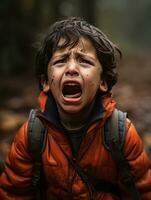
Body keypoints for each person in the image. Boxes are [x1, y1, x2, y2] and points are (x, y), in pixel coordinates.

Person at [0, 17, 151, 200]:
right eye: (60, 61)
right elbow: (13, 195)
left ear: (102, 82)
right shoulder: (31, 136)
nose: (71, 68)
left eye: (84, 62)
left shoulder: (121, 134)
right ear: (46, 81)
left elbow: (143, 193)